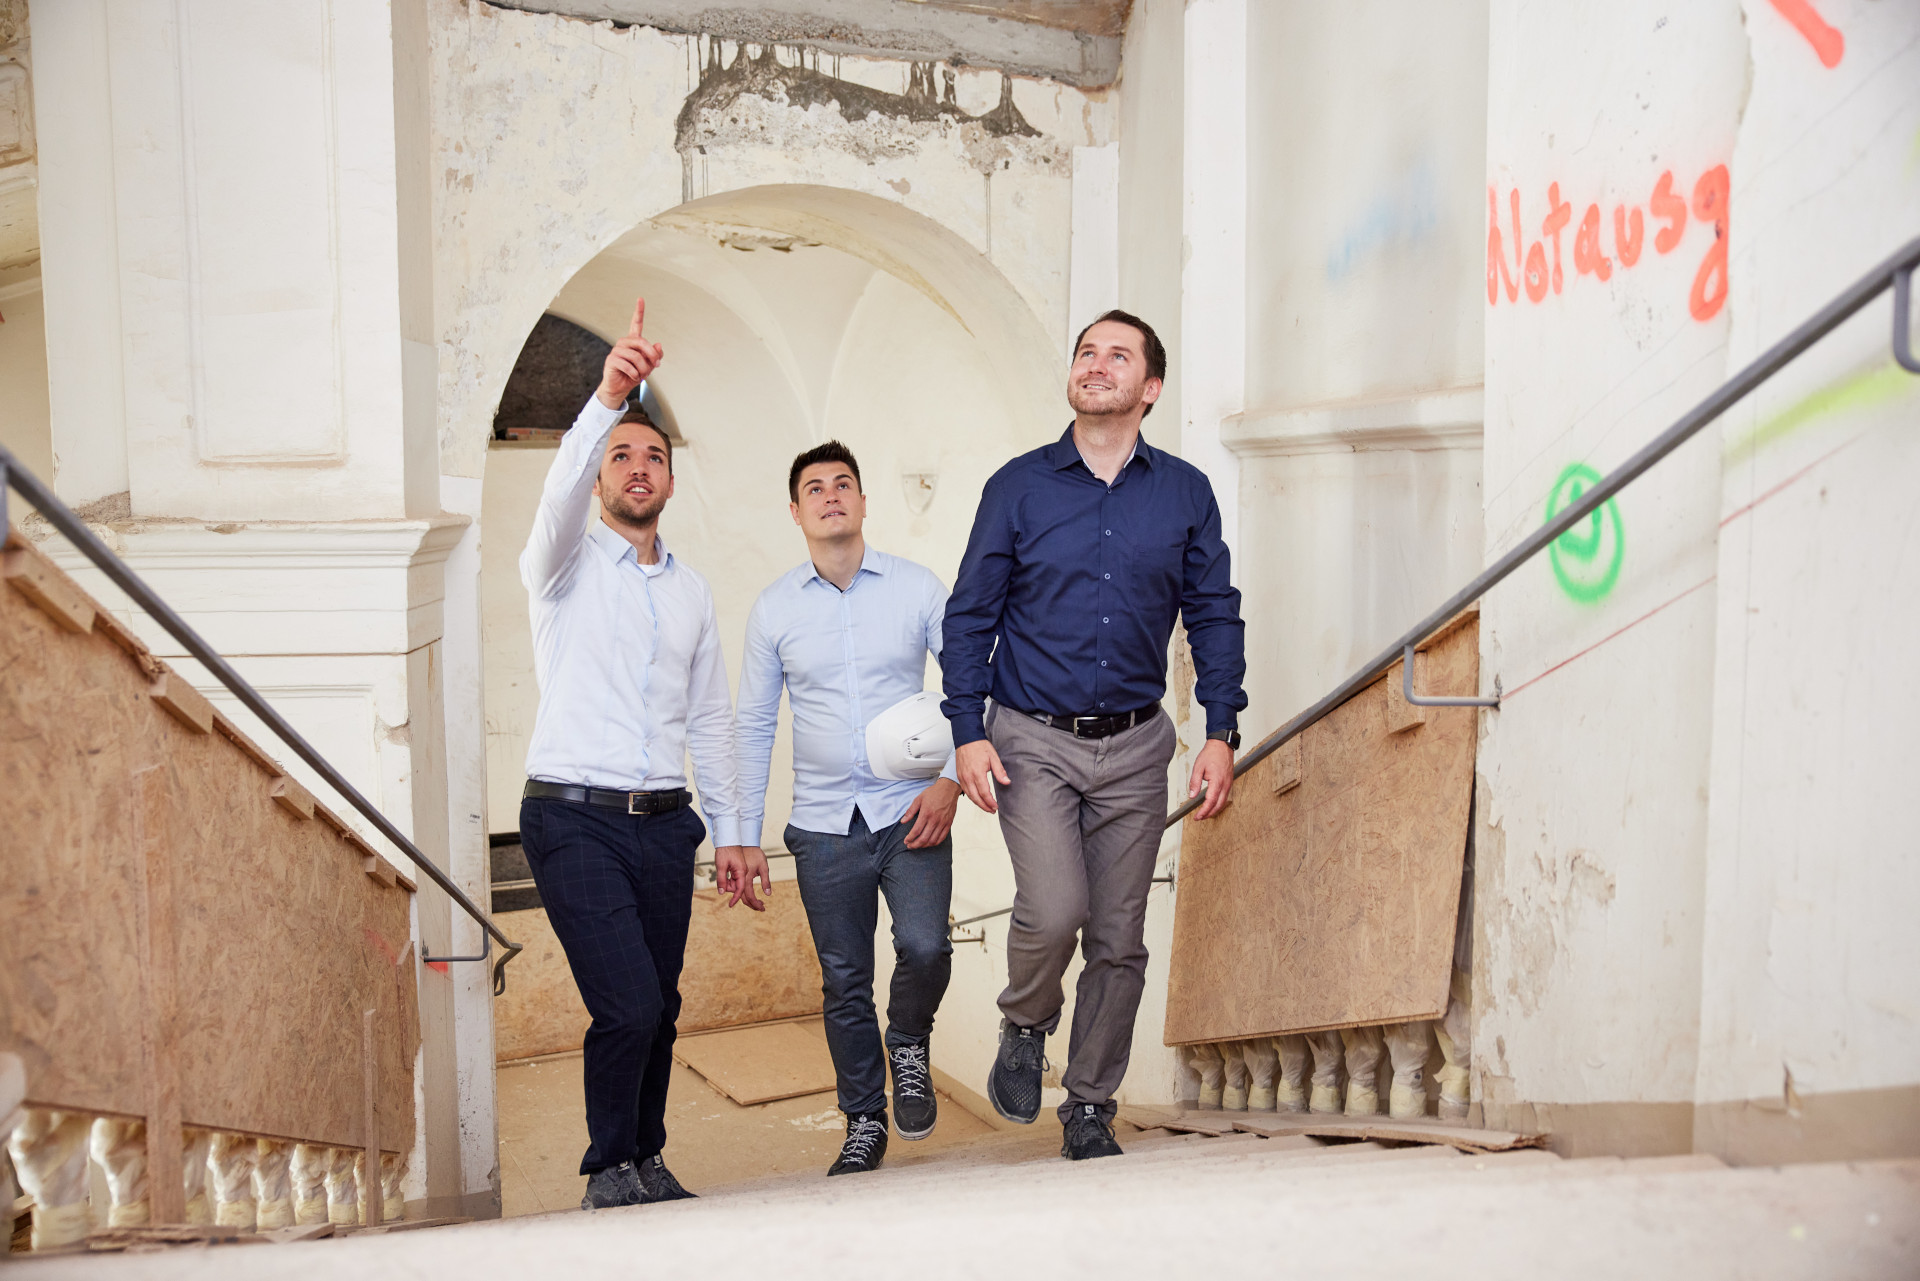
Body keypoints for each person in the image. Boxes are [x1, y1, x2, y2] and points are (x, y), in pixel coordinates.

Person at [942, 308, 1248, 1161]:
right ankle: (1026, 1019)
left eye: (1119, 355)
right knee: (1054, 910)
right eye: (1086, 351)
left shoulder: (1184, 492)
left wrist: (1220, 728)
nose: (1097, 364)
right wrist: (966, 729)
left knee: (1118, 937)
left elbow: (1213, 614)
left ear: (1151, 388)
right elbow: (969, 616)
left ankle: (1088, 1103)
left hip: (1137, 745)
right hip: (1030, 737)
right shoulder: (1018, 487)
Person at [518, 298, 772, 1210]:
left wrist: (734, 831)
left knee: (659, 1004)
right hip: (572, 815)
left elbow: (710, 718)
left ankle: (644, 1156)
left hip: (665, 824)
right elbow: (555, 496)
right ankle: (606, 1169)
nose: (637, 466)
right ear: (599, 481)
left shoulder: (693, 592)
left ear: (670, 480)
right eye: (621, 455)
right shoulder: (561, 566)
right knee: (625, 1002)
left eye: (653, 456)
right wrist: (607, 398)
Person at [735, 442, 962, 1177]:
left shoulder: (918, 588)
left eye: (843, 484)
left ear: (864, 502)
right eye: (815, 487)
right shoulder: (774, 608)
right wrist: (740, 834)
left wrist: (952, 780)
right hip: (824, 826)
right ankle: (864, 1119)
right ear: (795, 510)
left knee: (925, 947)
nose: (830, 495)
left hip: (911, 810)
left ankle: (910, 1039)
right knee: (844, 981)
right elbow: (754, 724)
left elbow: (972, 684)